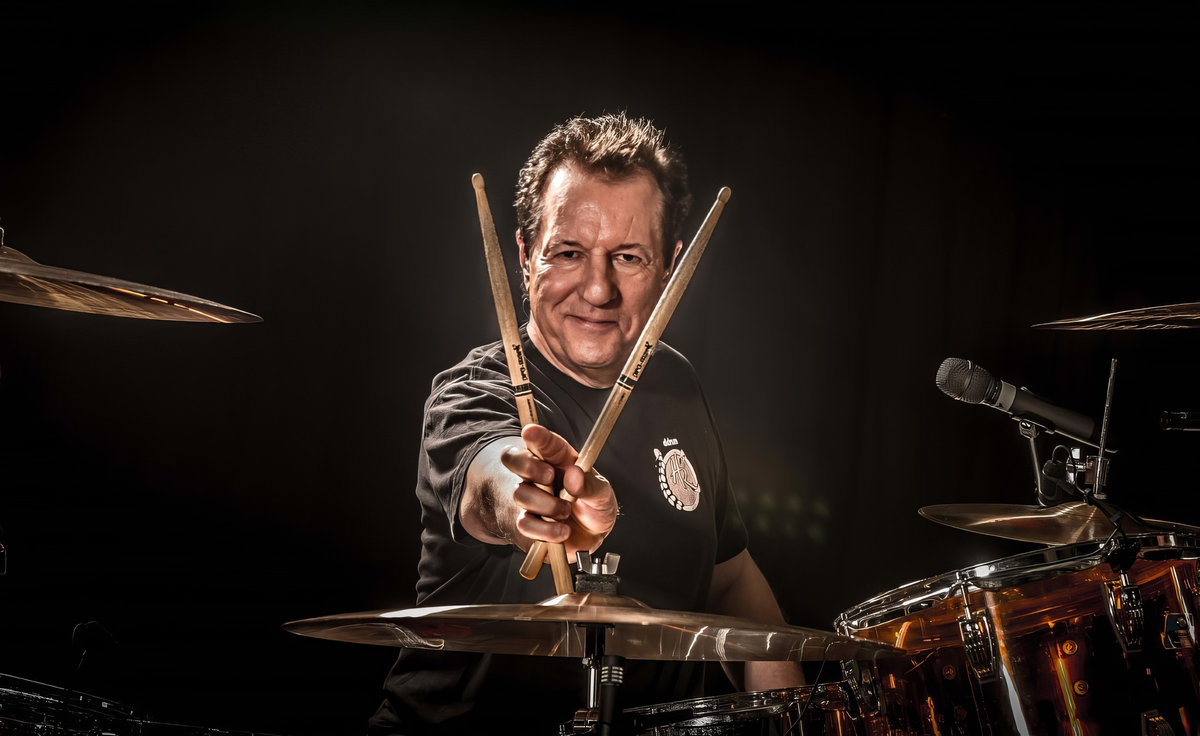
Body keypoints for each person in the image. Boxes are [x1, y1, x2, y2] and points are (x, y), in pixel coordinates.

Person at [368, 113, 802, 735]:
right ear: (525, 256)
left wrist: (792, 719)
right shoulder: (472, 393)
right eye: (569, 252)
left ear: (670, 267)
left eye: (628, 257)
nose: (598, 289)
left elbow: (730, 580)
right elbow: (492, 483)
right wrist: (532, 501)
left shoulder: (676, 382)